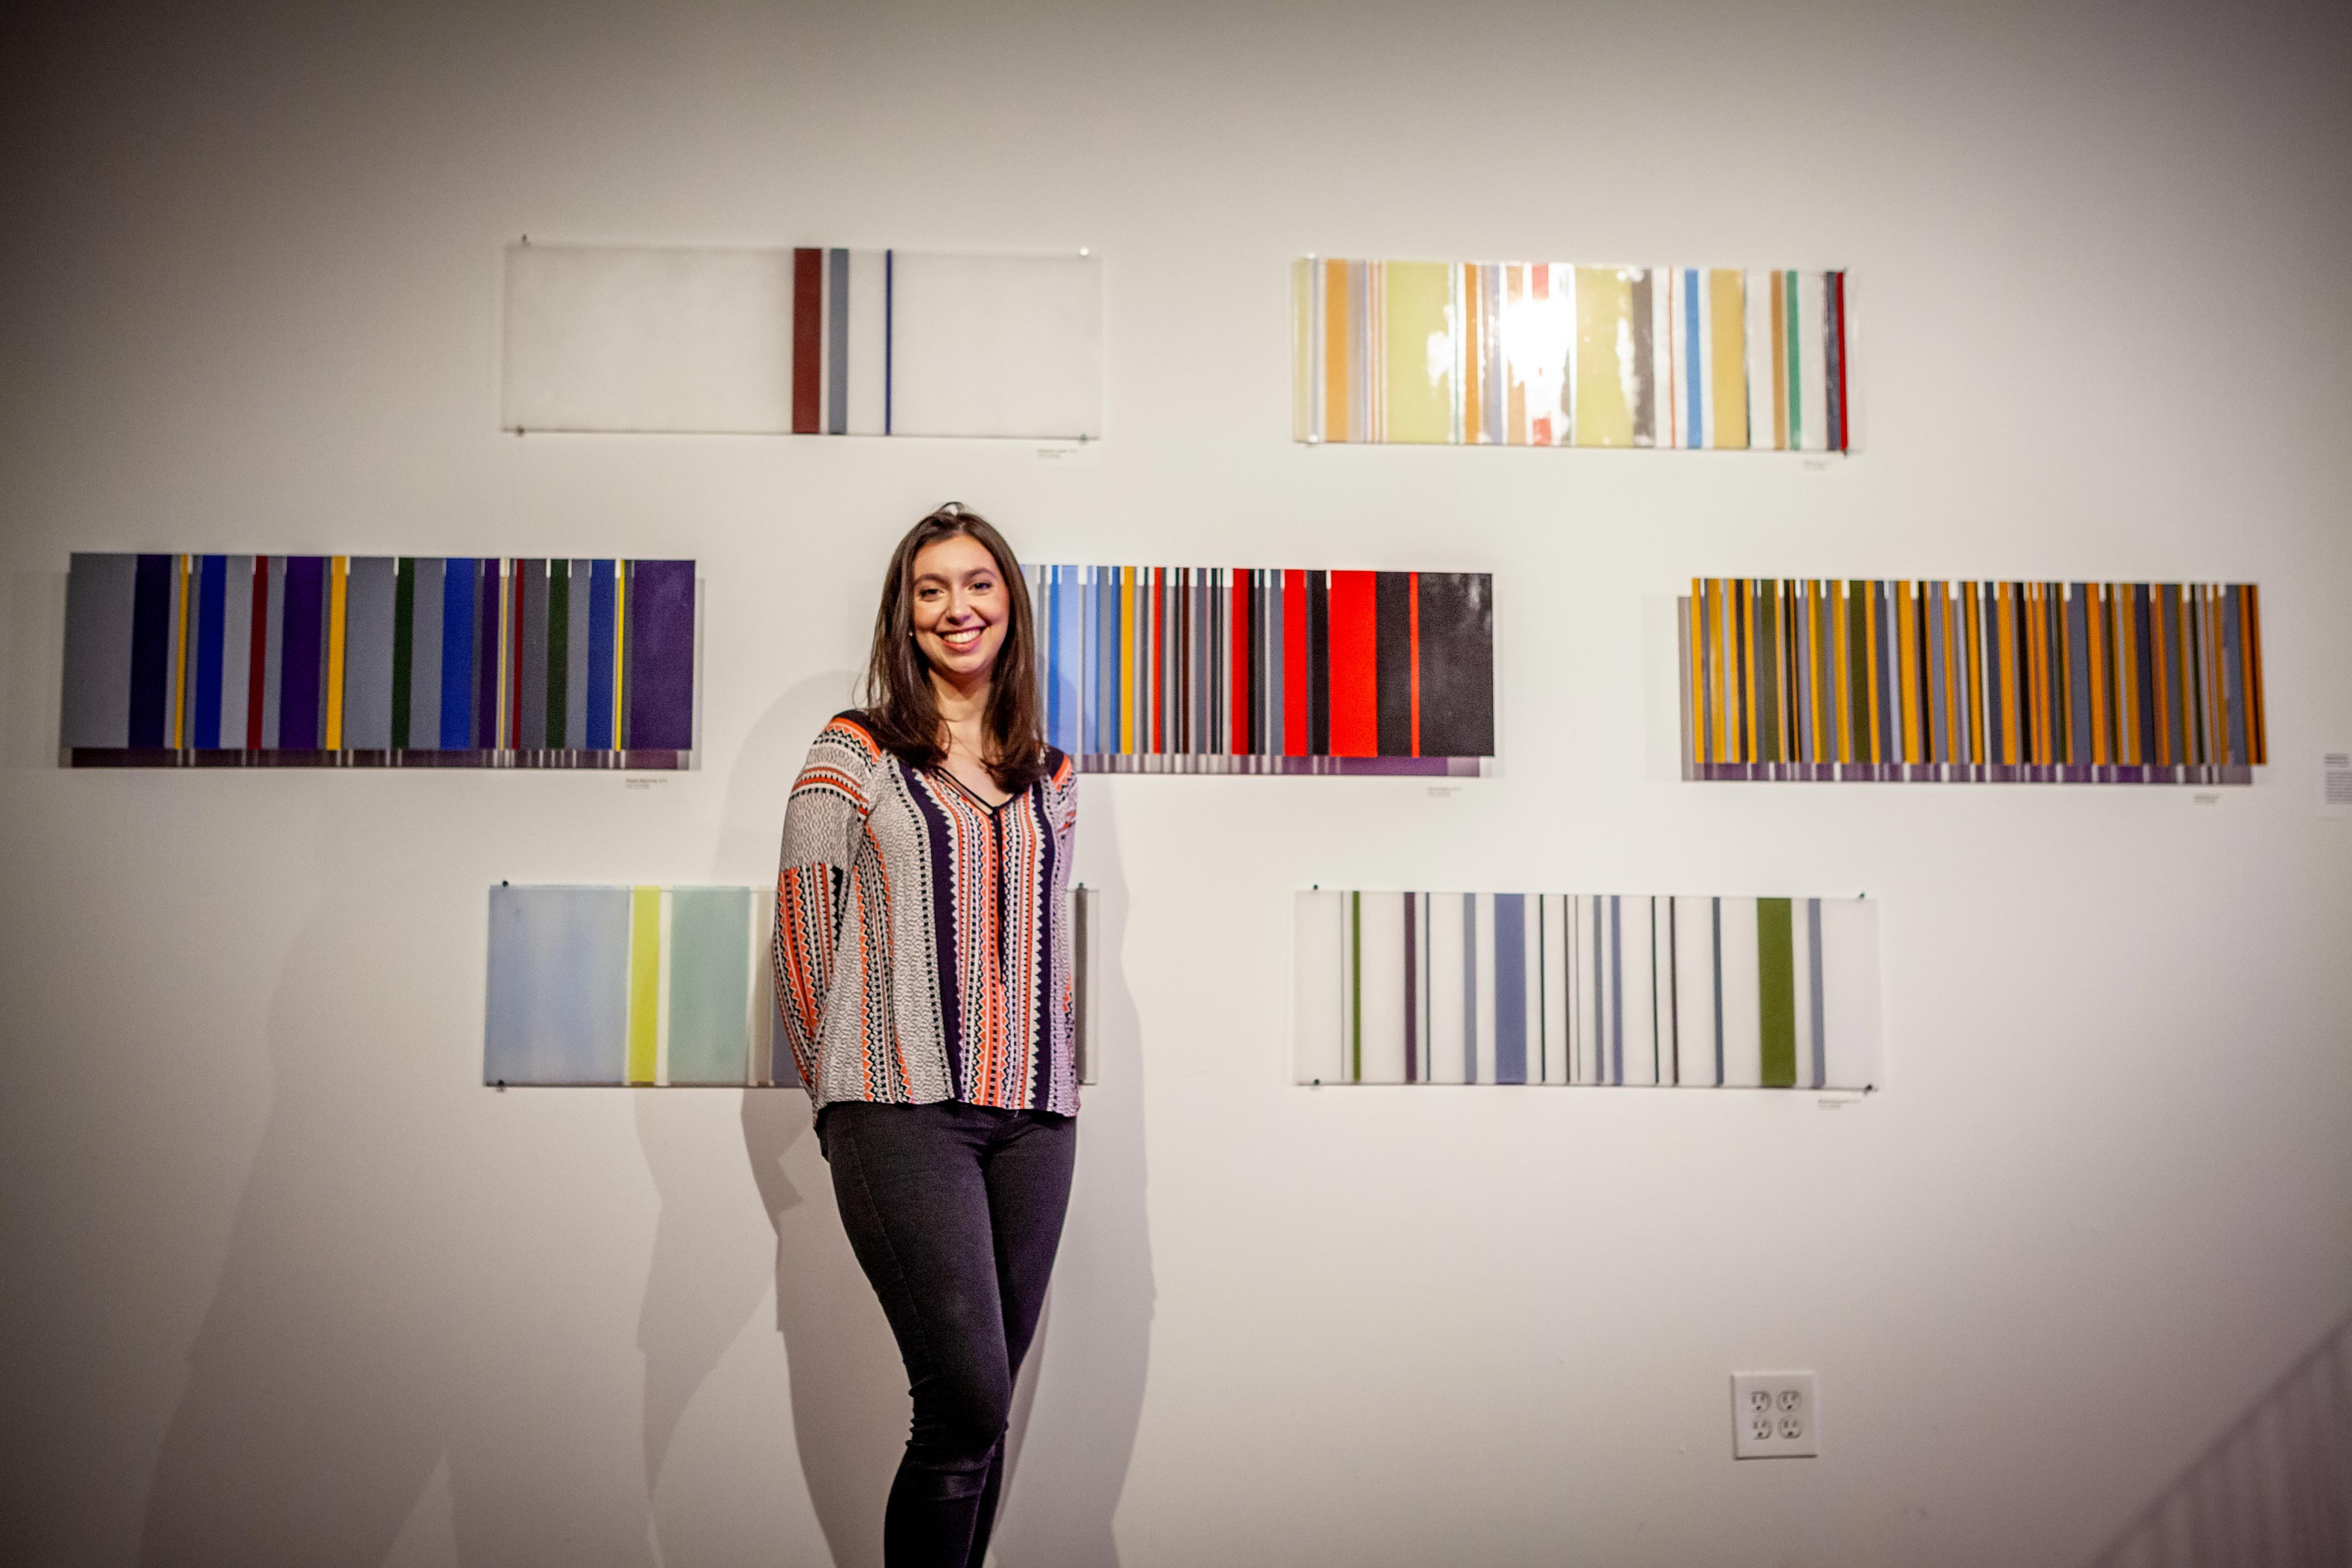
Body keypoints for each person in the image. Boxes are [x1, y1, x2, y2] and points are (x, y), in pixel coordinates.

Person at [772, 503, 1080, 1568]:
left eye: (979, 584)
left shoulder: (1054, 772)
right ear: (905, 616)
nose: (959, 607)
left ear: (1010, 604)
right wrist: (839, 1100)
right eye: (933, 589)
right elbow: (805, 931)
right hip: (897, 1109)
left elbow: (1047, 944)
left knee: (982, 1428)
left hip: (1036, 1115)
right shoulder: (851, 752)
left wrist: (1061, 1069)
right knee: (963, 1403)